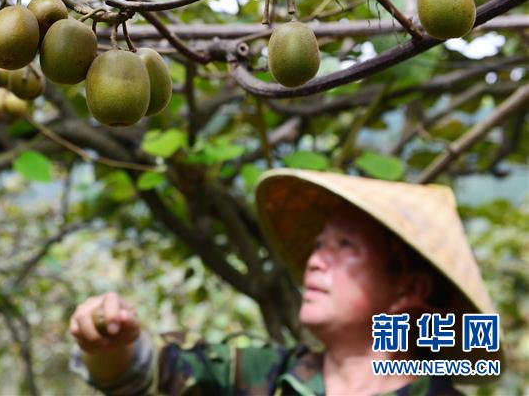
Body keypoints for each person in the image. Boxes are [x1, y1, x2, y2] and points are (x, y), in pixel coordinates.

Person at [69, 168, 501, 395]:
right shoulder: (270, 377)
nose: (315, 260)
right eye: (318, 244)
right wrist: (108, 344)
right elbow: (146, 375)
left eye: (345, 245)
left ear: (408, 291)